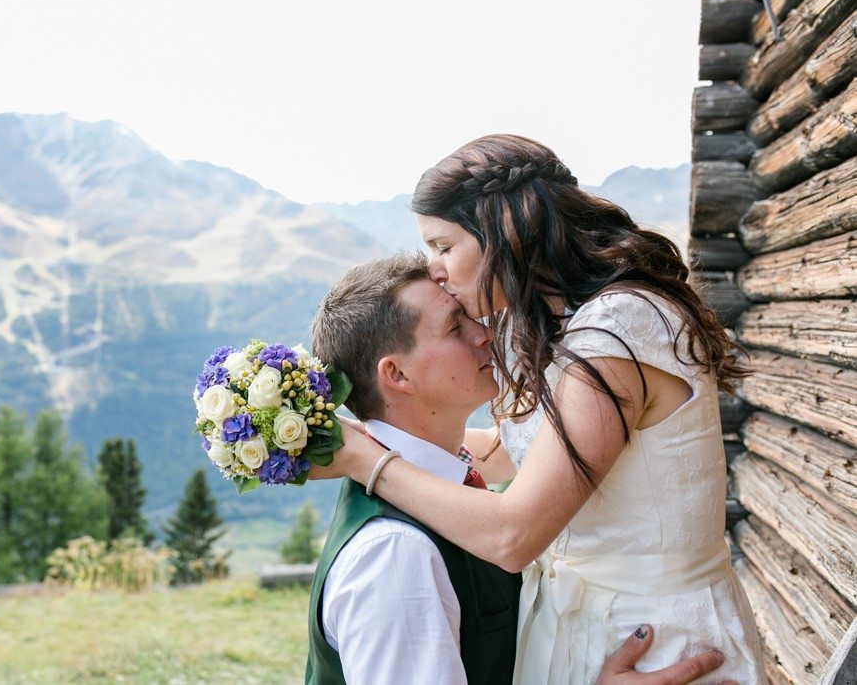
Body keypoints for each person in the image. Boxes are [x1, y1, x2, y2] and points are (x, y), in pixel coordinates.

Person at [321, 135, 766, 683]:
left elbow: (514, 535)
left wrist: (364, 460)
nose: (434, 269)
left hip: (655, 636)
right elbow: (518, 451)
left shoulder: (618, 328)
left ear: (505, 230)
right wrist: (379, 434)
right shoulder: (534, 320)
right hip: (576, 626)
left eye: (443, 245)